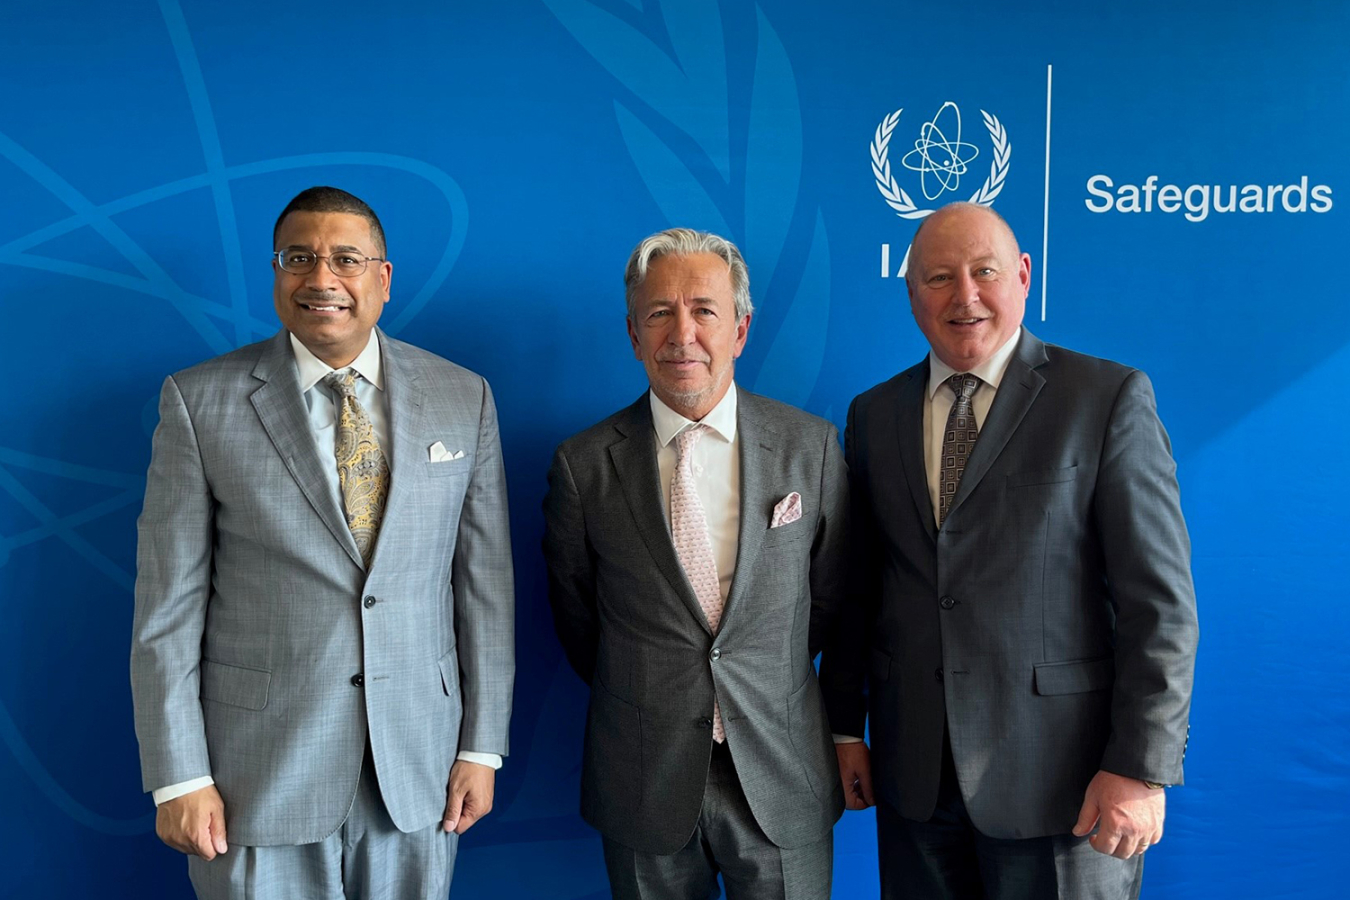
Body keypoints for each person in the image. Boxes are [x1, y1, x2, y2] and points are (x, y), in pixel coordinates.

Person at [130, 186, 515, 899]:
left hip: (418, 772)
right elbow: (167, 608)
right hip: (256, 774)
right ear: (276, 273)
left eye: (346, 258)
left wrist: (480, 747)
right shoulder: (197, 401)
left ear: (383, 277)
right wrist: (179, 776)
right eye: (298, 258)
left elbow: (484, 594)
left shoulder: (466, 397)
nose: (321, 278)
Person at [823, 202, 1199, 899]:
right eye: (938, 277)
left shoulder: (1107, 398)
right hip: (916, 785)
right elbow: (860, 589)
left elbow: (1160, 606)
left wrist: (1141, 766)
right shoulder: (874, 415)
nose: (964, 295)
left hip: (1067, 785)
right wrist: (845, 724)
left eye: (984, 271)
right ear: (911, 295)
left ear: (1023, 276)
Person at [543, 228, 848, 899]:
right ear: (633, 333)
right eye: (660, 313)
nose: (682, 334)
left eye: (704, 310)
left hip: (779, 770)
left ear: (739, 329)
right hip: (642, 776)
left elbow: (827, 603)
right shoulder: (584, 465)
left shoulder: (813, 449)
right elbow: (578, 617)